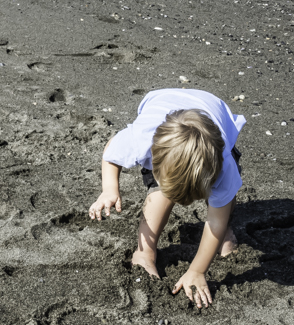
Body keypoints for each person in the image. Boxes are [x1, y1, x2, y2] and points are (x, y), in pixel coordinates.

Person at [88, 89, 245, 309]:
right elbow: (111, 153)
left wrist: (197, 271)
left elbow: (215, 220)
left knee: (223, 201)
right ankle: (145, 252)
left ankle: (225, 235)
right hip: (161, 105)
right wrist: (110, 189)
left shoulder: (223, 165)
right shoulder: (140, 140)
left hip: (216, 118)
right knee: (159, 193)